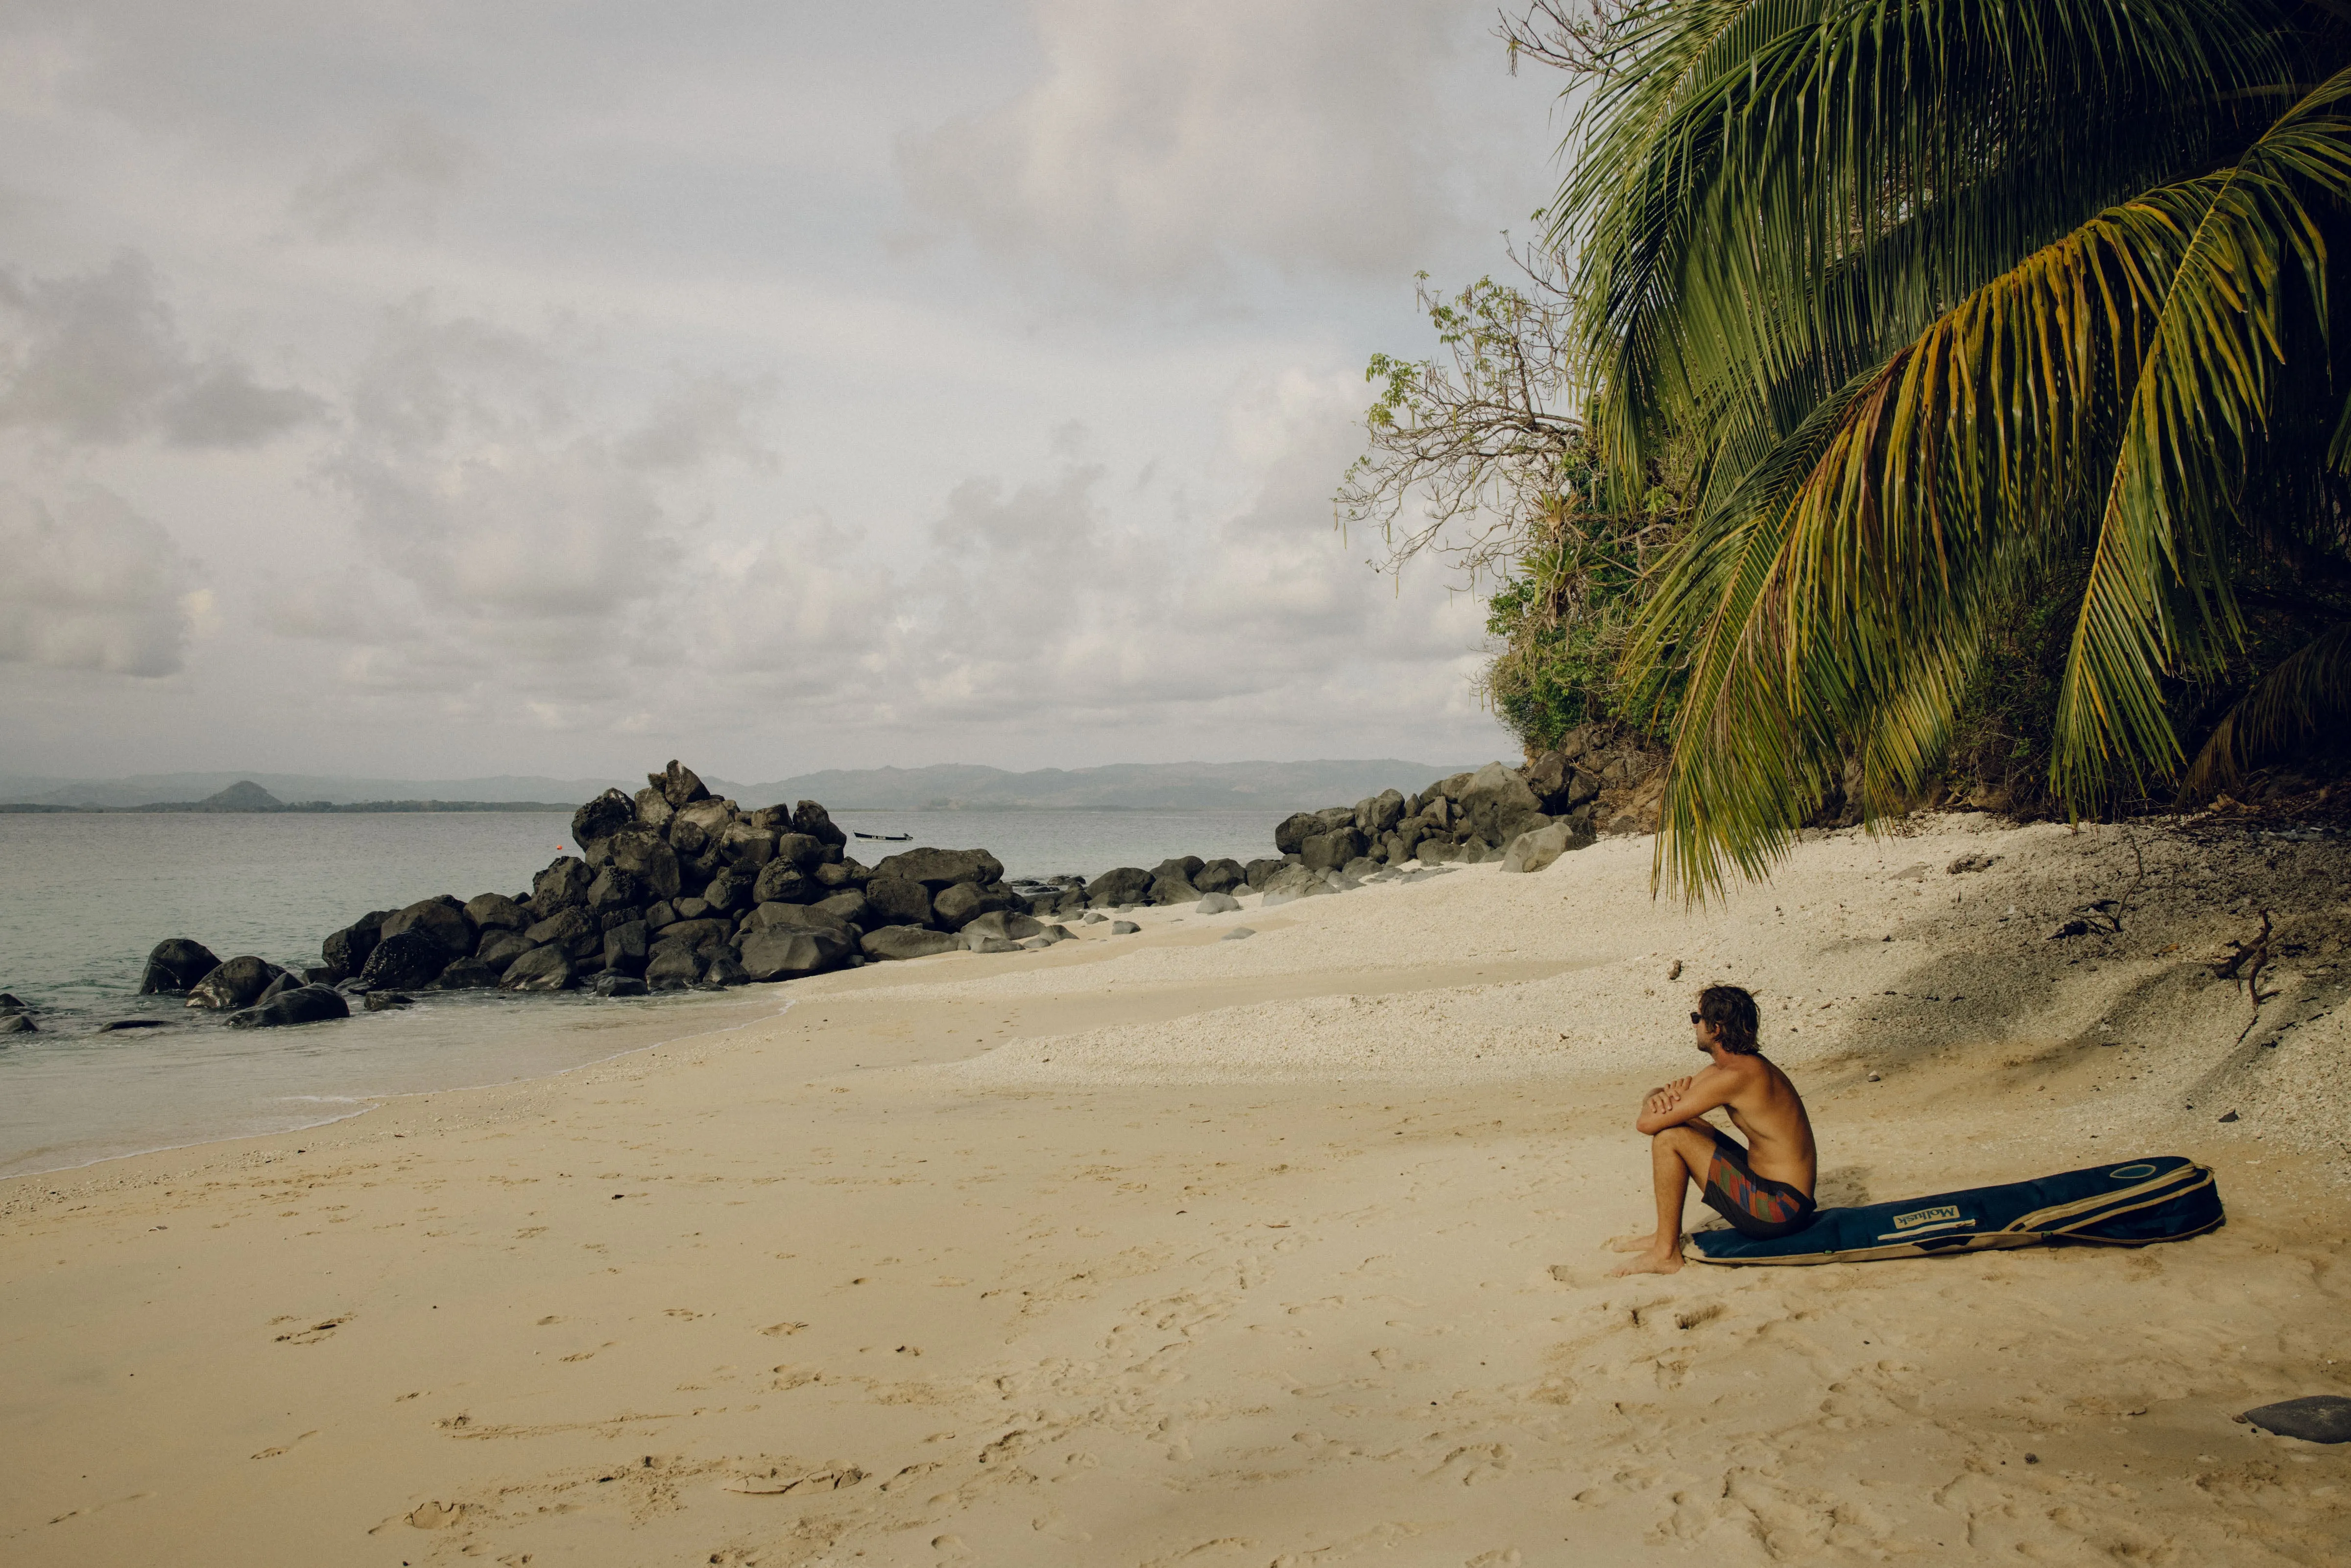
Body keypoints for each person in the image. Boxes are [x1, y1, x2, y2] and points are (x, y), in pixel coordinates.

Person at [1608, 983, 1818, 1276]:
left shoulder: (1737, 1076)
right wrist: (1656, 1096)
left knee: (1670, 1137)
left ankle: (1665, 1253)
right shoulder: (1733, 1069)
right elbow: (1662, 1104)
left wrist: (1655, 1102)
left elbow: (1647, 1123)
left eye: (1697, 1018)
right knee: (1683, 1124)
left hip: (1779, 1210)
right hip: (1775, 1191)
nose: (1695, 1024)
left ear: (1716, 1028)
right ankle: (1663, 1237)